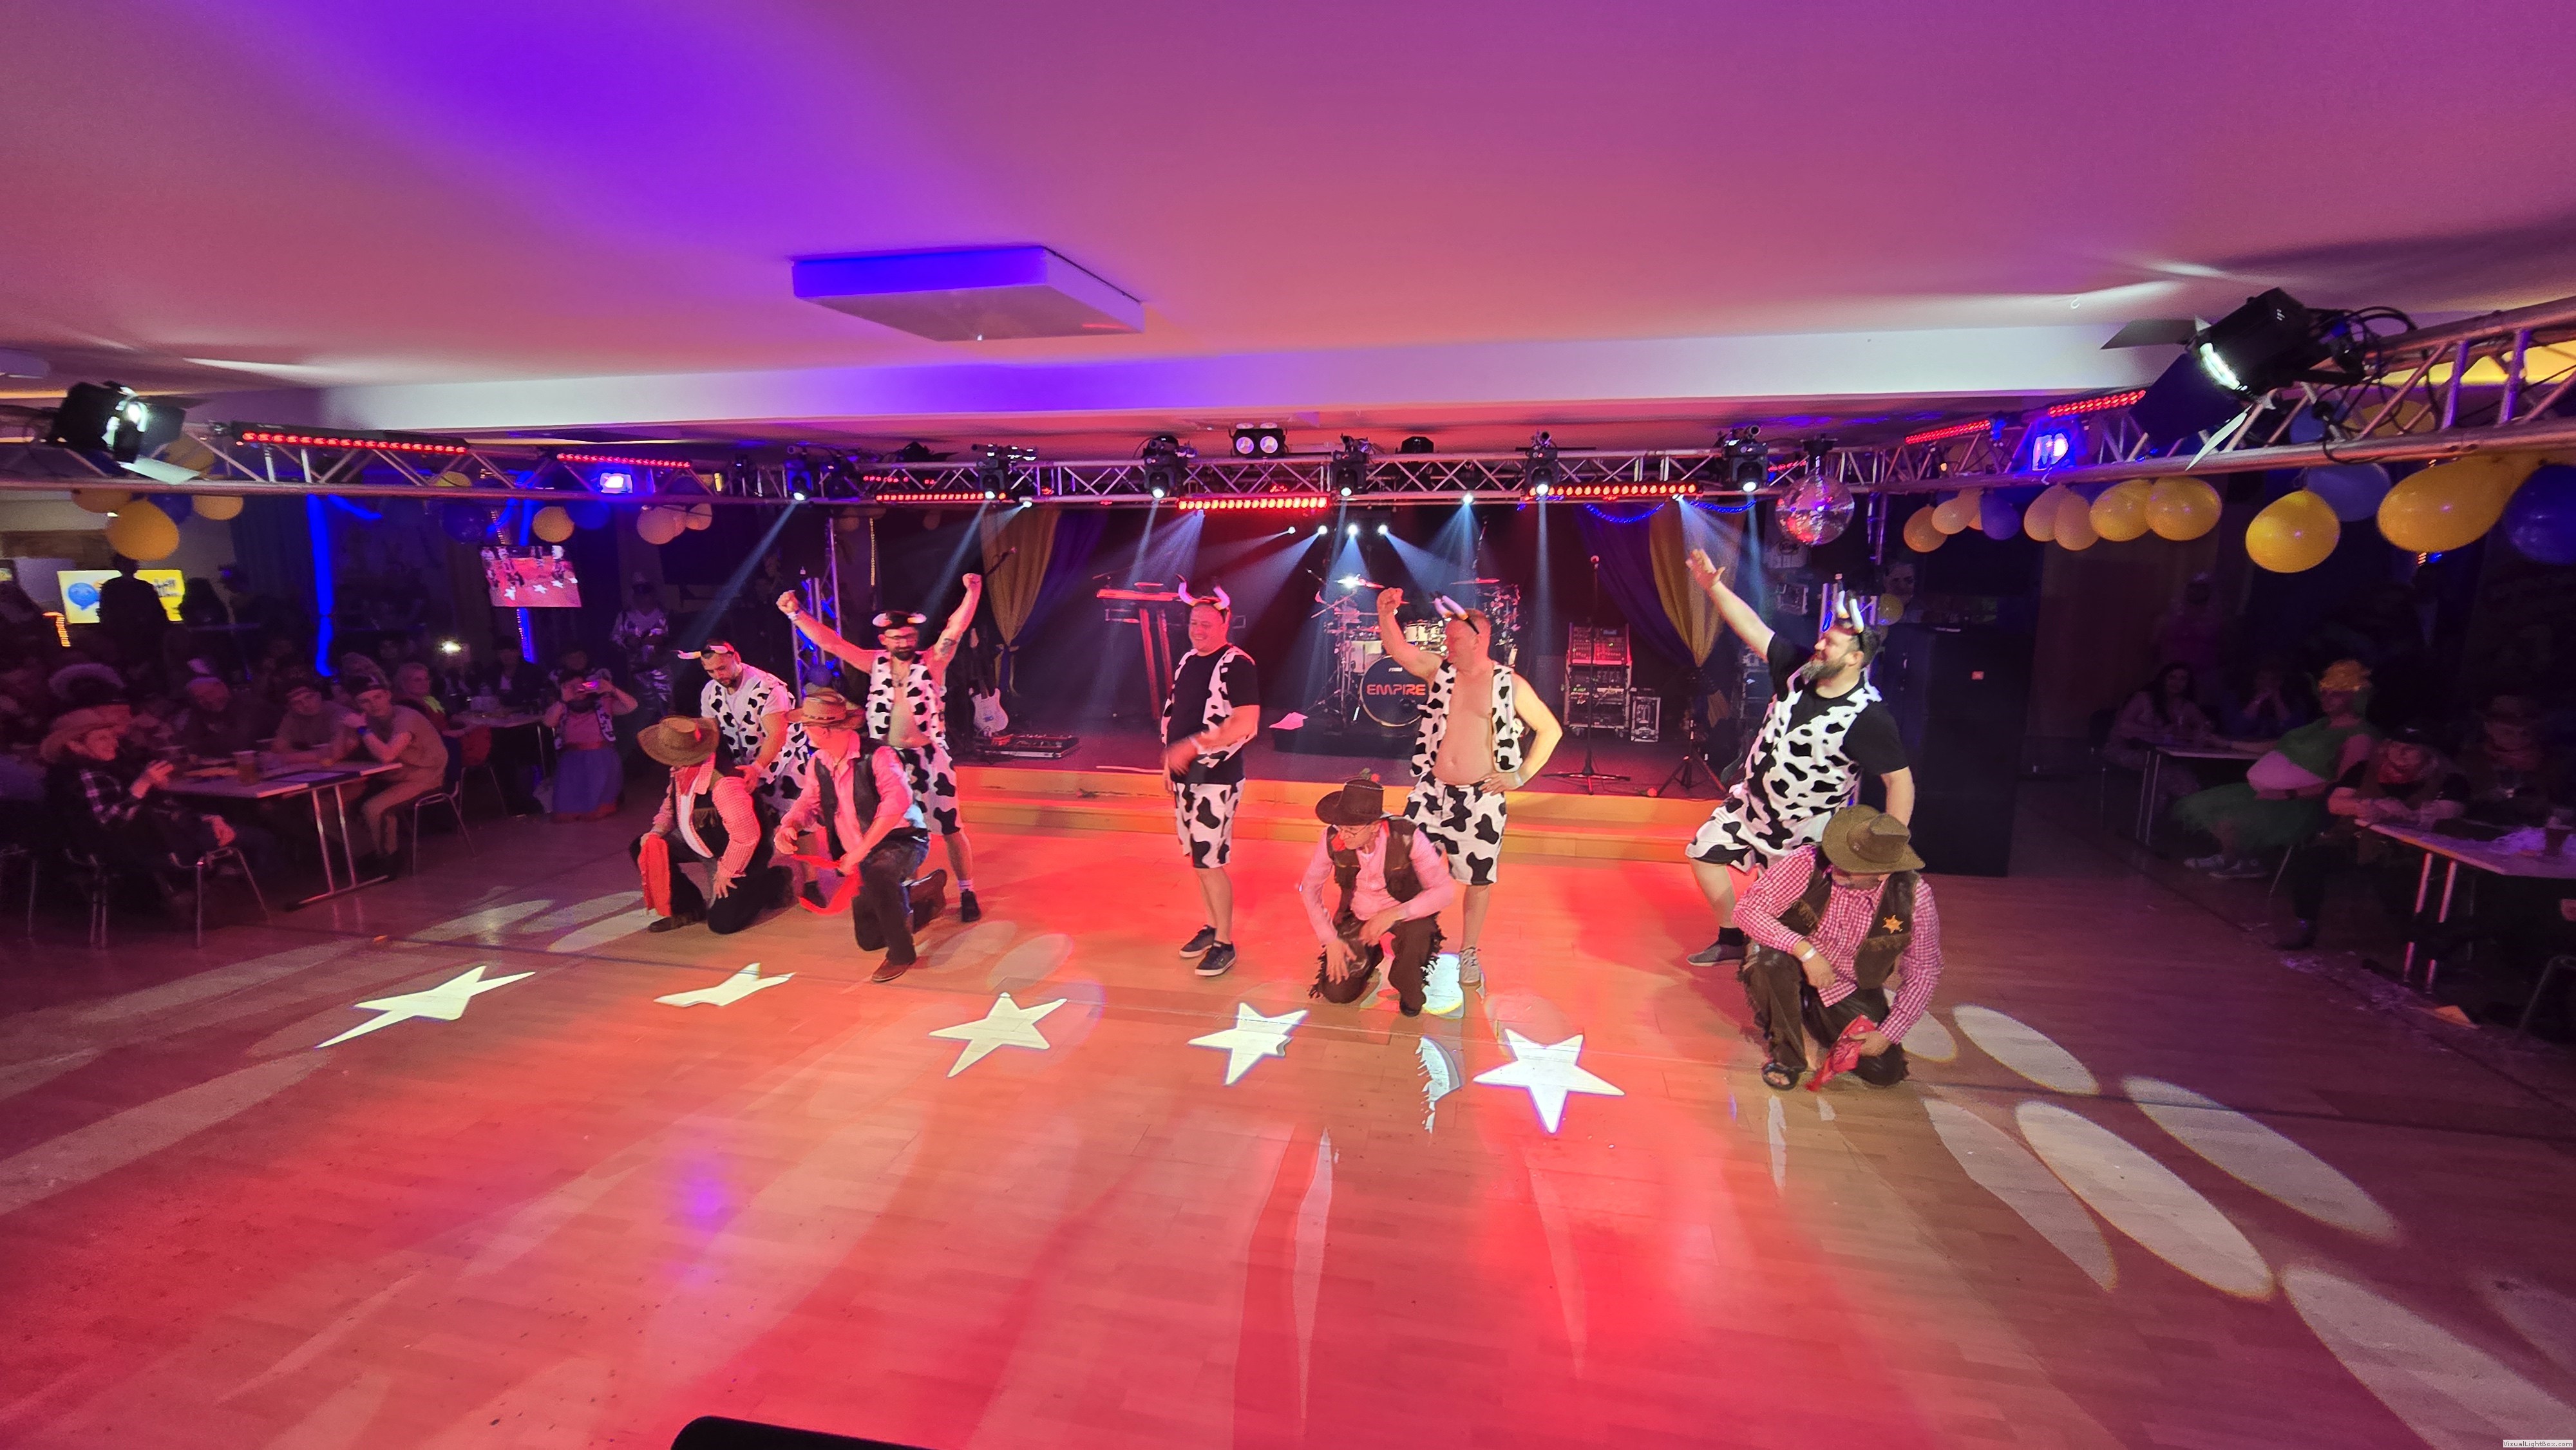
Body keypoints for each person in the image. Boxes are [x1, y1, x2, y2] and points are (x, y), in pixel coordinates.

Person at [1680, 552, 1913, 966]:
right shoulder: (1798, 670)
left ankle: (1786, 963)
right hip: (1750, 807)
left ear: (1855, 658)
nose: (1819, 645)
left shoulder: (1868, 717)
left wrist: (1886, 850)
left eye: (1830, 644)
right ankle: (1732, 937)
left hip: (1804, 830)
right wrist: (1713, 587)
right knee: (1703, 854)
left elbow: (1900, 782)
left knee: (1787, 921)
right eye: (1822, 638)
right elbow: (1754, 628)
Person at [1372, 585, 1563, 988]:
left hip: (1481, 799)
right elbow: (1399, 651)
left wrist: (1520, 775)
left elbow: (1550, 730)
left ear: (1479, 639)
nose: (1448, 645)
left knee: (1478, 880)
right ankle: (1408, 943)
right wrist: (1386, 615)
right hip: (1432, 792)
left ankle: (1470, 952)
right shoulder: (1440, 671)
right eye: (1447, 638)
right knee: (1402, 865)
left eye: (1455, 639)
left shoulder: (1508, 683)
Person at [779, 572, 987, 921]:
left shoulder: (932, 661)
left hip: (930, 760)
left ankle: (967, 891)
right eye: (897, 637)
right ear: (884, 639)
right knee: (896, 831)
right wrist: (796, 614)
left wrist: (973, 592)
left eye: (909, 636)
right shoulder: (874, 663)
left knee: (951, 828)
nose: (904, 641)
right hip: (887, 763)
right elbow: (832, 644)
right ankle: (906, 893)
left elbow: (955, 629)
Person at [1733, 804, 1944, 1091]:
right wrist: (1806, 952)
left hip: (1845, 982)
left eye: (1851, 865)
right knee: (1766, 964)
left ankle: (1804, 1015)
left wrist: (1887, 1034)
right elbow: (1747, 910)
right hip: (1790, 959)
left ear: (1882, 873)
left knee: (1885, 1072)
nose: (1837, 866)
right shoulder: (1808, 861)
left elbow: (1924, 971)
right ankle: (1787, 1054)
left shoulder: (1914, 896)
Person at [772, 688, 945, 982]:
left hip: (901, 839)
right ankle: (919, 893)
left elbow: (896, 804)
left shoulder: (879, 755)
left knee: (880, 874)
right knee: (870, 939)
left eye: (807, 725)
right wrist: (790, 825)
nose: (804, 731)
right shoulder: (819, 762)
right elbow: (808, 803)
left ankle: (901, 954)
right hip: (861, 851)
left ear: (823, 730)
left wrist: (860, 852)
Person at [41, 704, 276, 907]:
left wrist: (206, 818)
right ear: (75, 746)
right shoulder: (87, 775)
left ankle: (217, 889)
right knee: (262, 838)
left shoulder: (92, 772)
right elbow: (110, 822)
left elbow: (154, 810)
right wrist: (143, 784)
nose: (113, 743)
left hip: (136, 848)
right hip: (148, 850)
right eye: (102, 738)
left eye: (112, 737)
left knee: (229, 826)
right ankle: (255, 901)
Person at [2175, 659, 2378, 878]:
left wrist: (2288, 793)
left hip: (2304, 801)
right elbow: (2278, 746)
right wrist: (2227, 744)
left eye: (2336, 693)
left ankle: (2248, 862)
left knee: (2234, 817)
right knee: (2214, 808)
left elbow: (2344, 783)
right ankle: (2231, 858)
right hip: (2276, 792)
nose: (2327, 698)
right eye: (2324, 692)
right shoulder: (2321, 724)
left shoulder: (2360, 736)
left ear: (2356, 696)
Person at [2275, 725, 2467, 949]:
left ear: (2429, 753)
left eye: (2410, 748)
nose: (2400, 753)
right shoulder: (2364, 769)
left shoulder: (2449, 779)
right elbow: (2335, 803)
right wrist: (2370, 805)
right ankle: (2305, 923)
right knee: (2310, 860)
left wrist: (2405, 813)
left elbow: (2448, 812)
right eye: (2395, 745)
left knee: (2395, 879)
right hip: (2353, 841)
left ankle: (2416, 942)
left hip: (2406, 851)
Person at [1159, 586, 1262, 978]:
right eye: (1193, 623)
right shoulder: (1188, 661)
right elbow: (1175, 714)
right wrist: (1170, 762)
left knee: (1209, 862)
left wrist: (1191, 748)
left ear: (1224, 624)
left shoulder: (1238, 664)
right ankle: (1211, 926)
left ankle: (1225, 942)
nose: (1198, 630)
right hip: (1187, 778)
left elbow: (1246, 723)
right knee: (1198, 861)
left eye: (1206, 623)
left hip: (1216, 778)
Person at [1299, 775, 1457, 1016]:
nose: (1343, 836)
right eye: (1340, 828)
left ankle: (1406, 977)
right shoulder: (1332, 837)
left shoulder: (1406, 835)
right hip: (1359, 914)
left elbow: (1444, 890)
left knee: (1419, 937)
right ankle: (1371, 956)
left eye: (1351, 830)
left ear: (1374, 826)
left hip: (1404, 913)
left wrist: (1394, 913)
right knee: (1337, 993)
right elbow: (1310, 888)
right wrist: (1330, 939)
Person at [633, 716, 788, 936]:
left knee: (722, 924)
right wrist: (656, 833)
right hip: (699, 841)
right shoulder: (680, 769)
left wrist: (726, 871)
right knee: (644, 847)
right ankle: (688, 908)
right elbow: (669, 808)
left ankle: (772, 881)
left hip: (734, 855)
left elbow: (747, 837)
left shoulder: (724, 783)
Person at [690, 636, 808, 820]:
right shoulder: (710, 691)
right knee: (764, 828)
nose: (718, 676)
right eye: (710, 671)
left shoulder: (767, 687)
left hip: (785, 766)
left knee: (796, 824)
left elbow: (777, 734)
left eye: (722, 668)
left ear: (736, 658)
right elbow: (710, 732)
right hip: (749, 770)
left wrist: (757, 768)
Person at [341, 680, 450, 867]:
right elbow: (340, 752)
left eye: (378, 697)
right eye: (365, 701)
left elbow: (387, 756)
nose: (374, 704)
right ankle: (366, 853)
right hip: (389, 777)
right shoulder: (368, 720)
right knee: (330, 806)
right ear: (358, 705)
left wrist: (362, 729)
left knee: (374, 808)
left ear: (388, 695)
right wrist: (347, 727)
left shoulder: (406, 717)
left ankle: (389, 861)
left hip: (424, 776)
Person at [2103, 662, 2217, 804]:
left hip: (2166, 756)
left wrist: (2197, 730)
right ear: (2163, 678)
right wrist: (2158, 731)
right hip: (2125, 749)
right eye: (2172, 677)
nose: (2177, 682)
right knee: (2163, 770)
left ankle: (2181, 808)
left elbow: (2206, 725)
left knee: (2185, 773)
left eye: (2183, 679)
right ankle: (2153, 811)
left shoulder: (2186, 706)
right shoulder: (2143, 698)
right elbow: (2123, 725)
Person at [540, 666, 638, 822]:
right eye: (571, 687)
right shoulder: (562, 707)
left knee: (594, 810)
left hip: (601, 759)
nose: (577, 690)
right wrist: (563, 700)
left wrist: (612, 689)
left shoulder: (603, 704)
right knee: (565, 813)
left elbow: (632, 706)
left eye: (581, 685)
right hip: (571, 761)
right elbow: (548, 722)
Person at [2458, 695, 2567, 829]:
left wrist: (2545, 806)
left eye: (2525, 733)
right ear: (2488, 728)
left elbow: (2562, 804)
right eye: (2508, 732)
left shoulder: (2550, 761)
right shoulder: (2471, 759)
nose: (2517, 739)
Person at [2150, 573, 2227, 702]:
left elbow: (2225, 649)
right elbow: (2154, 646)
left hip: (2203, 676)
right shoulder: (2167, 618)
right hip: (2171, 673)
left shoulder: (2219, 621)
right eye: (2194, 587)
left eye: (2202, 588)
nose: (2197, 592)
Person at [171, 670, 278, 758]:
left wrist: (205, 744)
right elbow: (188, 744)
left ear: (223, 687)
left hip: (267, 764)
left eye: (210, 693)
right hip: (227, 769)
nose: (208, 700)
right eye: (200, 698)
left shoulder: (251, 705)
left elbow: (240, 744)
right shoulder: (200, 712)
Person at [94, 557, 169, 666]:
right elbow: (108, 611)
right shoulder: (112, 587)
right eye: (129, 563)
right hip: (125, 633)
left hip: (146, 634)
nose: (133, 565)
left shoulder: (144, 586)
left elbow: (157, 610)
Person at [2219, 659, 2312, 740]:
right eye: (2262, 678)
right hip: (2239, 749)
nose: (2268, 683)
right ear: (2254, 679)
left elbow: (2296, 734)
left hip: (2280, 751)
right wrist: (2257, 701)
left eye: (2274, 679)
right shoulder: (2233, 698)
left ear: (2281, 681)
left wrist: (2278, 701)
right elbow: (2235, 730)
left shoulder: (2295, 702)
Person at [270, 681, 354, 764]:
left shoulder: (338, 712)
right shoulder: (292, 717)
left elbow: (336, 753)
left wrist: (283, 758)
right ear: (290, 707)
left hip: (353, 764)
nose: (306, 705)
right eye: (297, 703)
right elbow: (278, 748)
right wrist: (313, 756)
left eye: (309, 697)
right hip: (322, 766)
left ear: (319, 696)